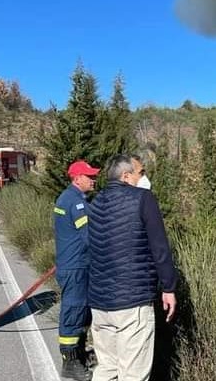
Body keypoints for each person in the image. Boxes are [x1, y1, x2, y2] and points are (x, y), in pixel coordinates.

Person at [87, 154, 178, 381]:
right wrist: (169, 287)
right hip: (132, 302)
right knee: (133, 374)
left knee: (107, 368)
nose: (144, 177)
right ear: (126, 176)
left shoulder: (95, 202)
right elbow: (159, 247)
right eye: (141, 172)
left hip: (99, 303)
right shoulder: (143, 198)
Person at [54, 160, 100, 381]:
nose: (94, 179)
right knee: (73, 312)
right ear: (77, 178)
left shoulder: (68, 198)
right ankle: (70, 363)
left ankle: (78, 356)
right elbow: (90, 237)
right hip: (76, 266)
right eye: (89, 176)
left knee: (79, 312)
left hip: (72, 264)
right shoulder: (76, 203)